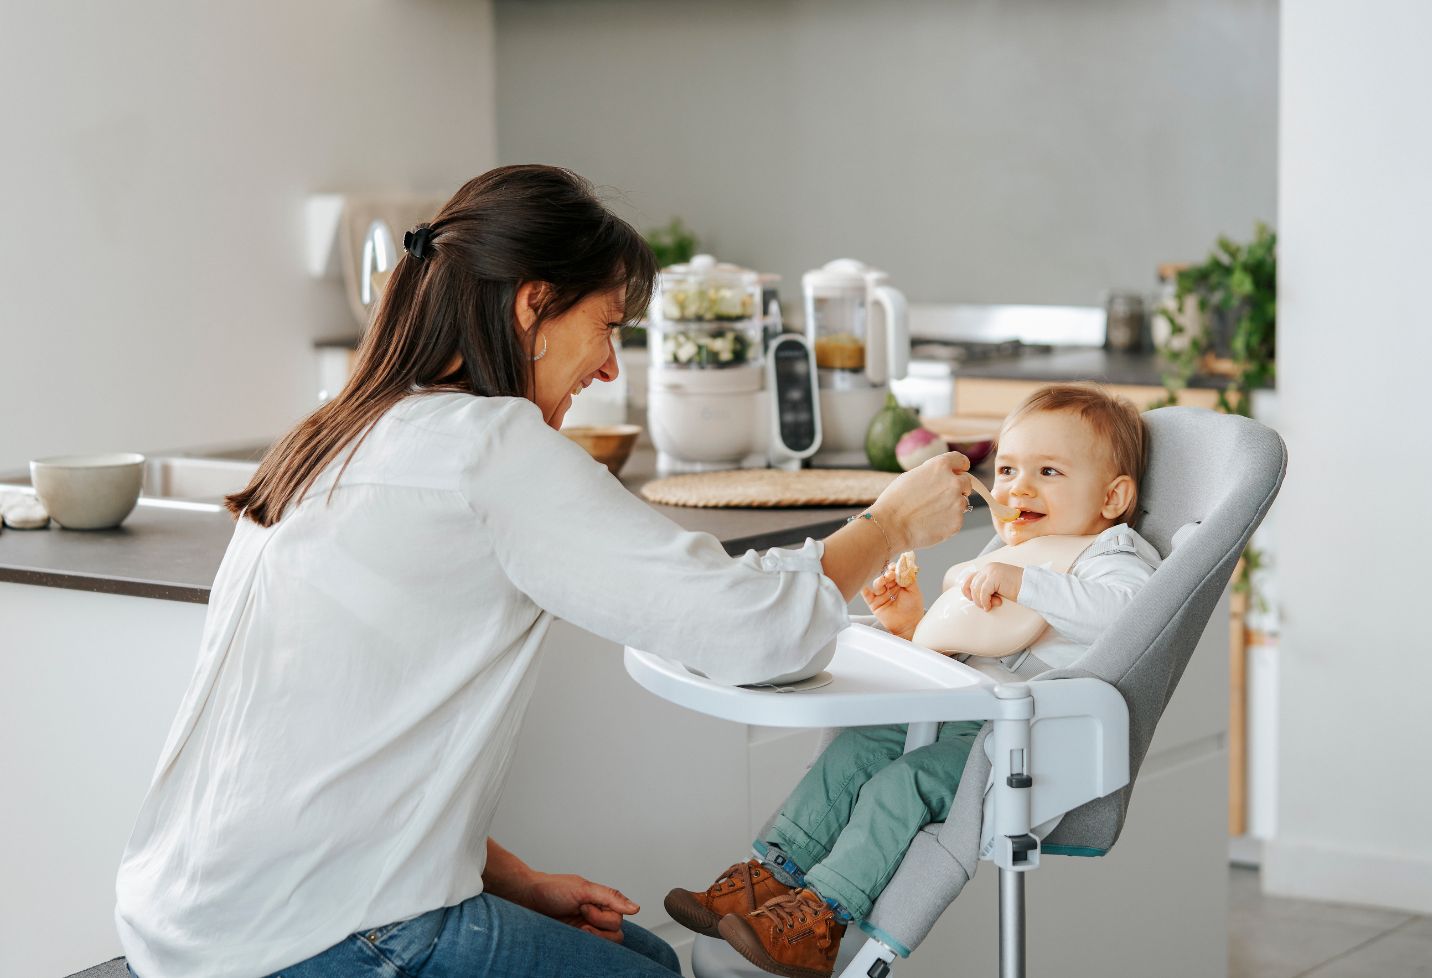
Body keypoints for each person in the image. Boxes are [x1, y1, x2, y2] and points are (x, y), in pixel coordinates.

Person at [113, 165, 975, 978]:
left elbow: (332, 743)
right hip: (318, 932)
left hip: (191, 919)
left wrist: (509, 881)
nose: (608, 367)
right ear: (534, 306)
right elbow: (753, 633)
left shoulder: (330, 434)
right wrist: (890, 522)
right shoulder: (490, 445)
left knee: (652, 958)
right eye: (605, 328)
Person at [665, 383, 1163, 978]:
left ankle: (820, 916)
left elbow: (1133, 612)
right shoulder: (1017, 555)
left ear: (1113, 496)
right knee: (859, 746)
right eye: (1006, 469)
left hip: (1016, 740)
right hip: (961, 710)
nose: (1018, 488)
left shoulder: (1110, 555)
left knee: (902, 786)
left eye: (1048, 471)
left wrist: (1023, 583)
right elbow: (972, 646)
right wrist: (912, 626)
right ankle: (774, 876)